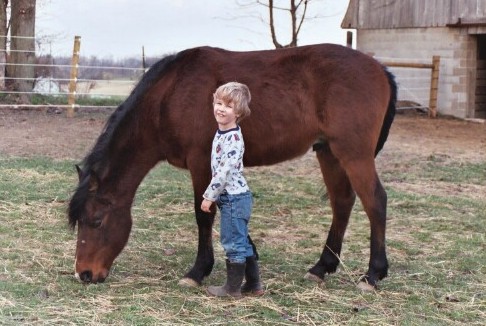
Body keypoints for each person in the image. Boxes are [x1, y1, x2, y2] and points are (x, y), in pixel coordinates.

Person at [201, 81, 264, 298]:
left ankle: (232, 288)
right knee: (242, 239)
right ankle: (254, 285)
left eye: (228, 106)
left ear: (238, 112)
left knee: (233, 242)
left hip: (233, 198)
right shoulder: (223, 133)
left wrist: (209, 196)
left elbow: (224, 172)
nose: (220, 108)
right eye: (218, 103)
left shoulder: (234, 139)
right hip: (233, 197)